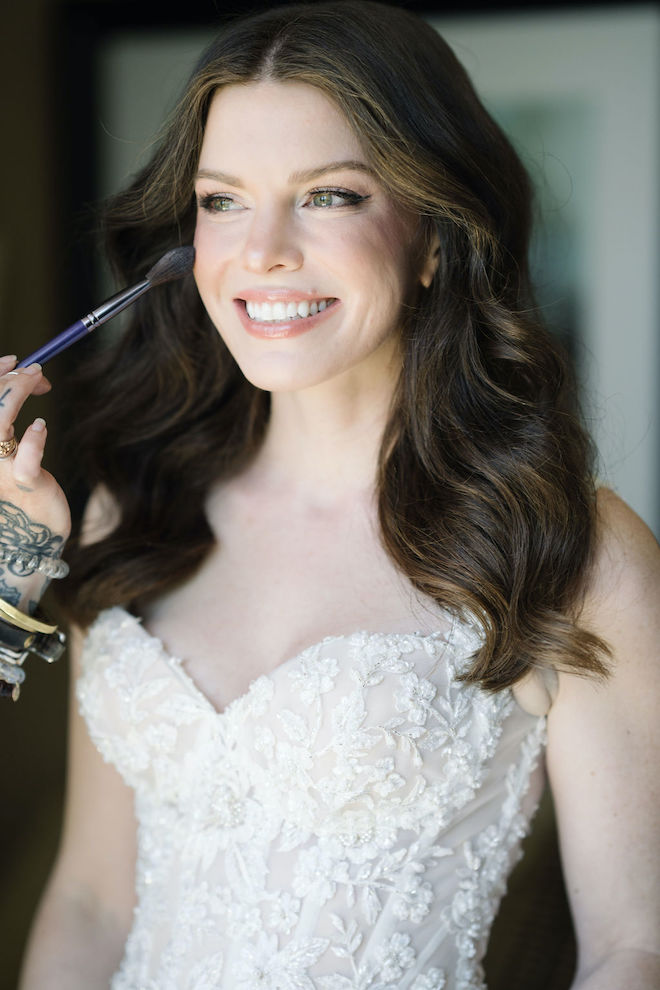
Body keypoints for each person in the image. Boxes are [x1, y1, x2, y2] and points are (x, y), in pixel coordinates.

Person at [7, 1, 658, 987]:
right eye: (222, 200)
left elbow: (633, 945)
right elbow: (92, 899)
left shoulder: (567, 544)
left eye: (331, 195)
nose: (261, 250)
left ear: (436, 236)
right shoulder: (129, 509)